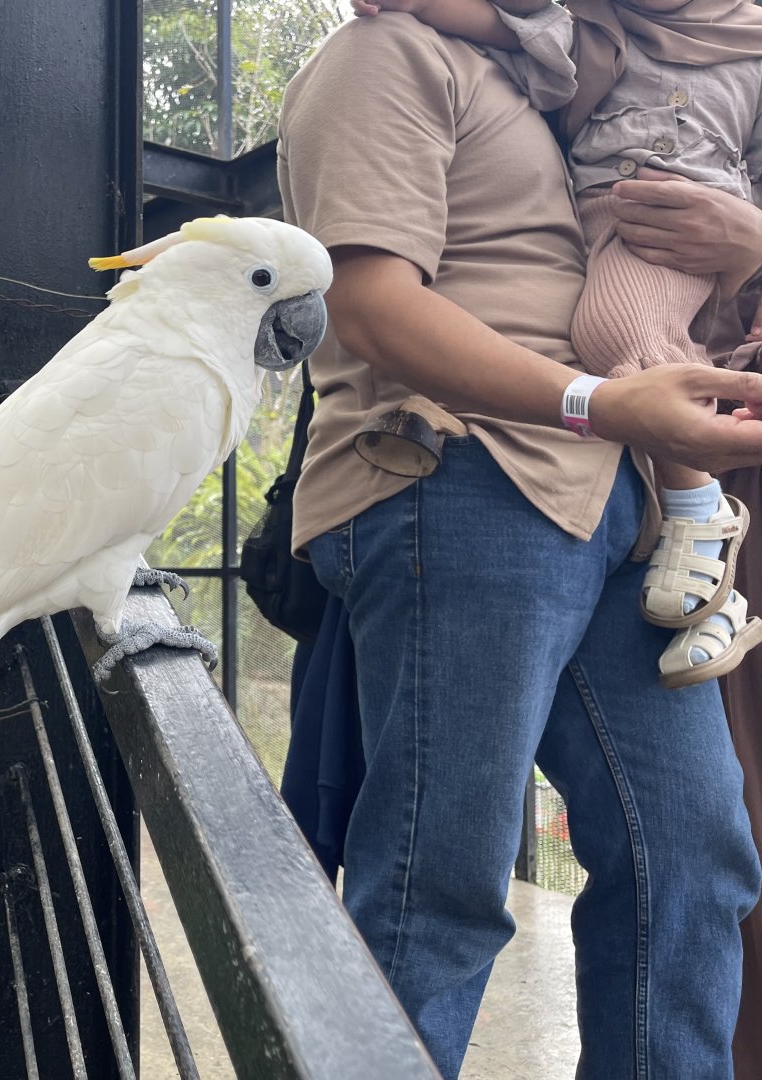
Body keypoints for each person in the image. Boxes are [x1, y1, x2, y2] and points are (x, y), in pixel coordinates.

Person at [277, 12, 762, 1078]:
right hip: (456, 476)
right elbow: (367, 305)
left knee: (693, 856)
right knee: (438, 882)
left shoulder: (570, 98)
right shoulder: (387, 55)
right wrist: (602, 401)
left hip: (622, 518)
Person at [348, 0, 762, 690]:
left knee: (612, 329)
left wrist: (750, 238)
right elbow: (516, 25)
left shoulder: (752, 47)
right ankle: (709, 560)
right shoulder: (594, 27)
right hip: (592, 253)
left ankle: (699, 511)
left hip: (676, 228)